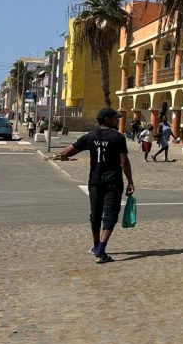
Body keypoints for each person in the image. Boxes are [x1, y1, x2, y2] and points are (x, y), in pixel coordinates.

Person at [53, 107, 134, 264]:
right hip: (113, 181)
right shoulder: (118, 137)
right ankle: (101, 250)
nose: (117, 120)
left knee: (95, 214)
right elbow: (124, 161)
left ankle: (96, 245)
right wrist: (130, 181)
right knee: (110, 215)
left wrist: (60, 155)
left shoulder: (90, 136)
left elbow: (69, 151)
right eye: (115, 118)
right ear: (107, 120)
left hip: (95, 181)